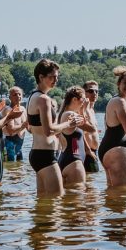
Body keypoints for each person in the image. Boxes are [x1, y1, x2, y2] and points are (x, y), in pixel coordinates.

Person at [26, 59, 81, 196]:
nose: (56, 80)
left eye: (57, 77)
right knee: (56, 199)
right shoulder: (43, 99)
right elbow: (49, 131)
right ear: (41, 77)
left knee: (43, 200)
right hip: (45, 155)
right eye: (52, 77)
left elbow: (32, 128)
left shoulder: (33, 96)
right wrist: (68, 124)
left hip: (38, 153)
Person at [57, 86, 90, 187]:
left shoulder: (64, 114)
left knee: (68, 196)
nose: (84, 101)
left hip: (66, 158)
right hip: (74, 162)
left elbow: (77, 137)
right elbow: (91, 128)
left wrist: (88, 150)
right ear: (74, 99)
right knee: (78, 195)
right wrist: (85, 109)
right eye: (83, 99)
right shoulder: (71, 115)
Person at [2, 86, 28, 162]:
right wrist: (24, 125)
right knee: (10, 166)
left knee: (19, 167)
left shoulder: (23, 109)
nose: (18, 96)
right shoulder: (8, 110)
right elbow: (11, 130)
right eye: (15, 95)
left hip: (19, 146)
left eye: (19, 94)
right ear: (9, 97)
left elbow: (29, 128)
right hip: (9, 145)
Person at [81, 81, 102, 174]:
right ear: (84, 93)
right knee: (87, 178)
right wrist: (88, 150)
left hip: (93, 151)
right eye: (90, 91)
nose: (94, 93)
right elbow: (79, 132)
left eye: (96, 91)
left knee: (91, 178)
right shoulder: (81, 109)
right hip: (86, 152)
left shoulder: (91, 110)